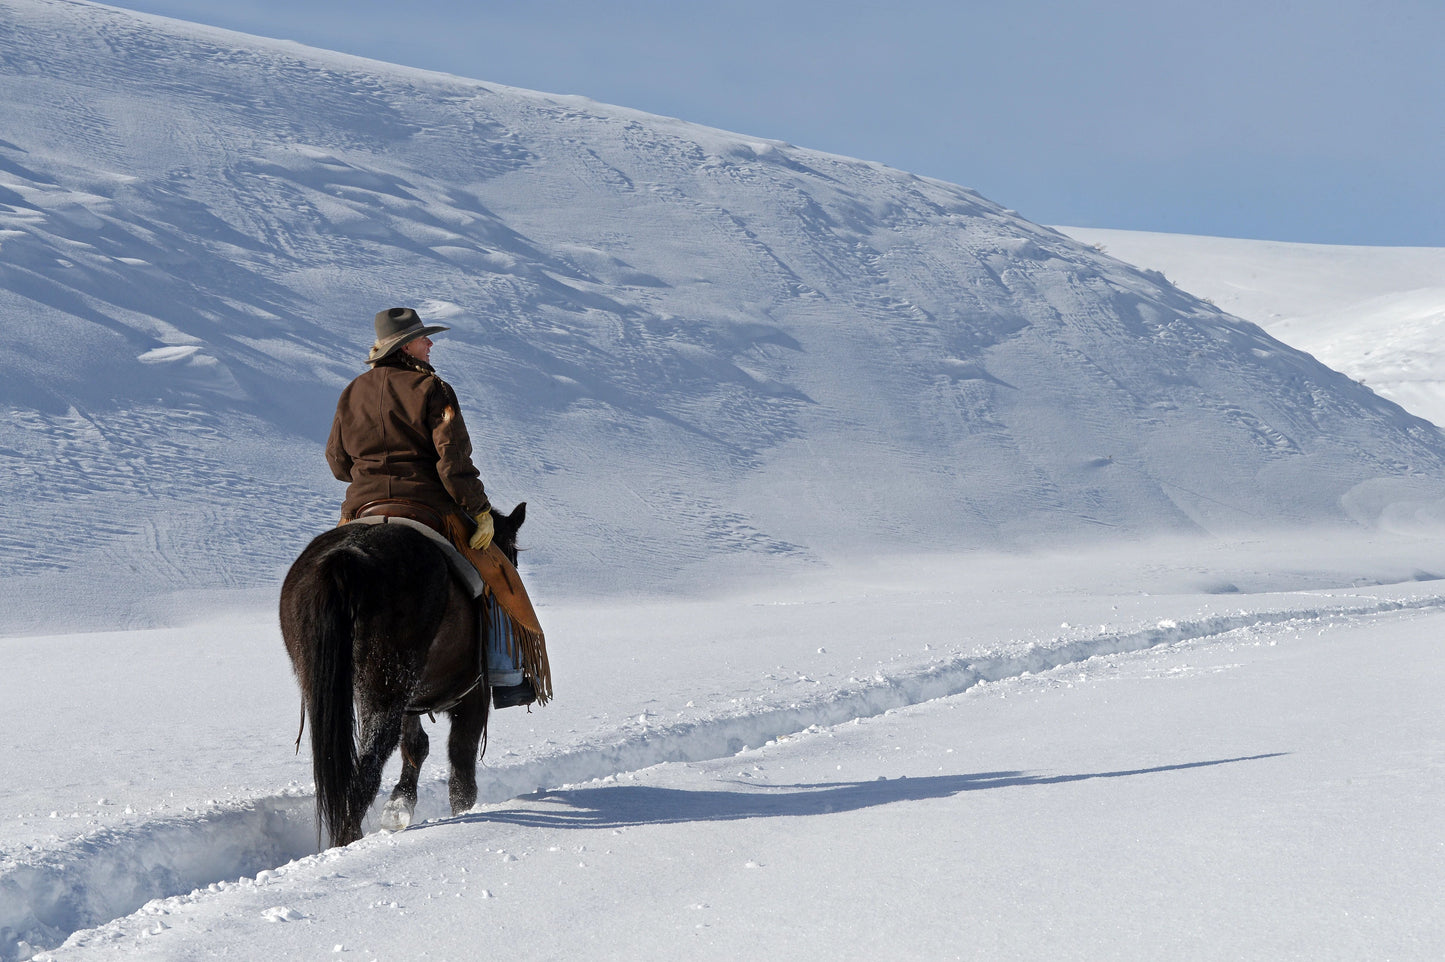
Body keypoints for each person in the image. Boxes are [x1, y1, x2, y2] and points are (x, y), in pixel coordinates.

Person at [325, 307, 542, 708]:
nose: (430, 344)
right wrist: (478, 512)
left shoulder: (351, 391)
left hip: (361, 509)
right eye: (423, 338)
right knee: (498, 574)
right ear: (406, 345)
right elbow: (453, 463)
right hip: (427, 506)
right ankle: (508, 675)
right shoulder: (433, 389)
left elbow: (338, 464)